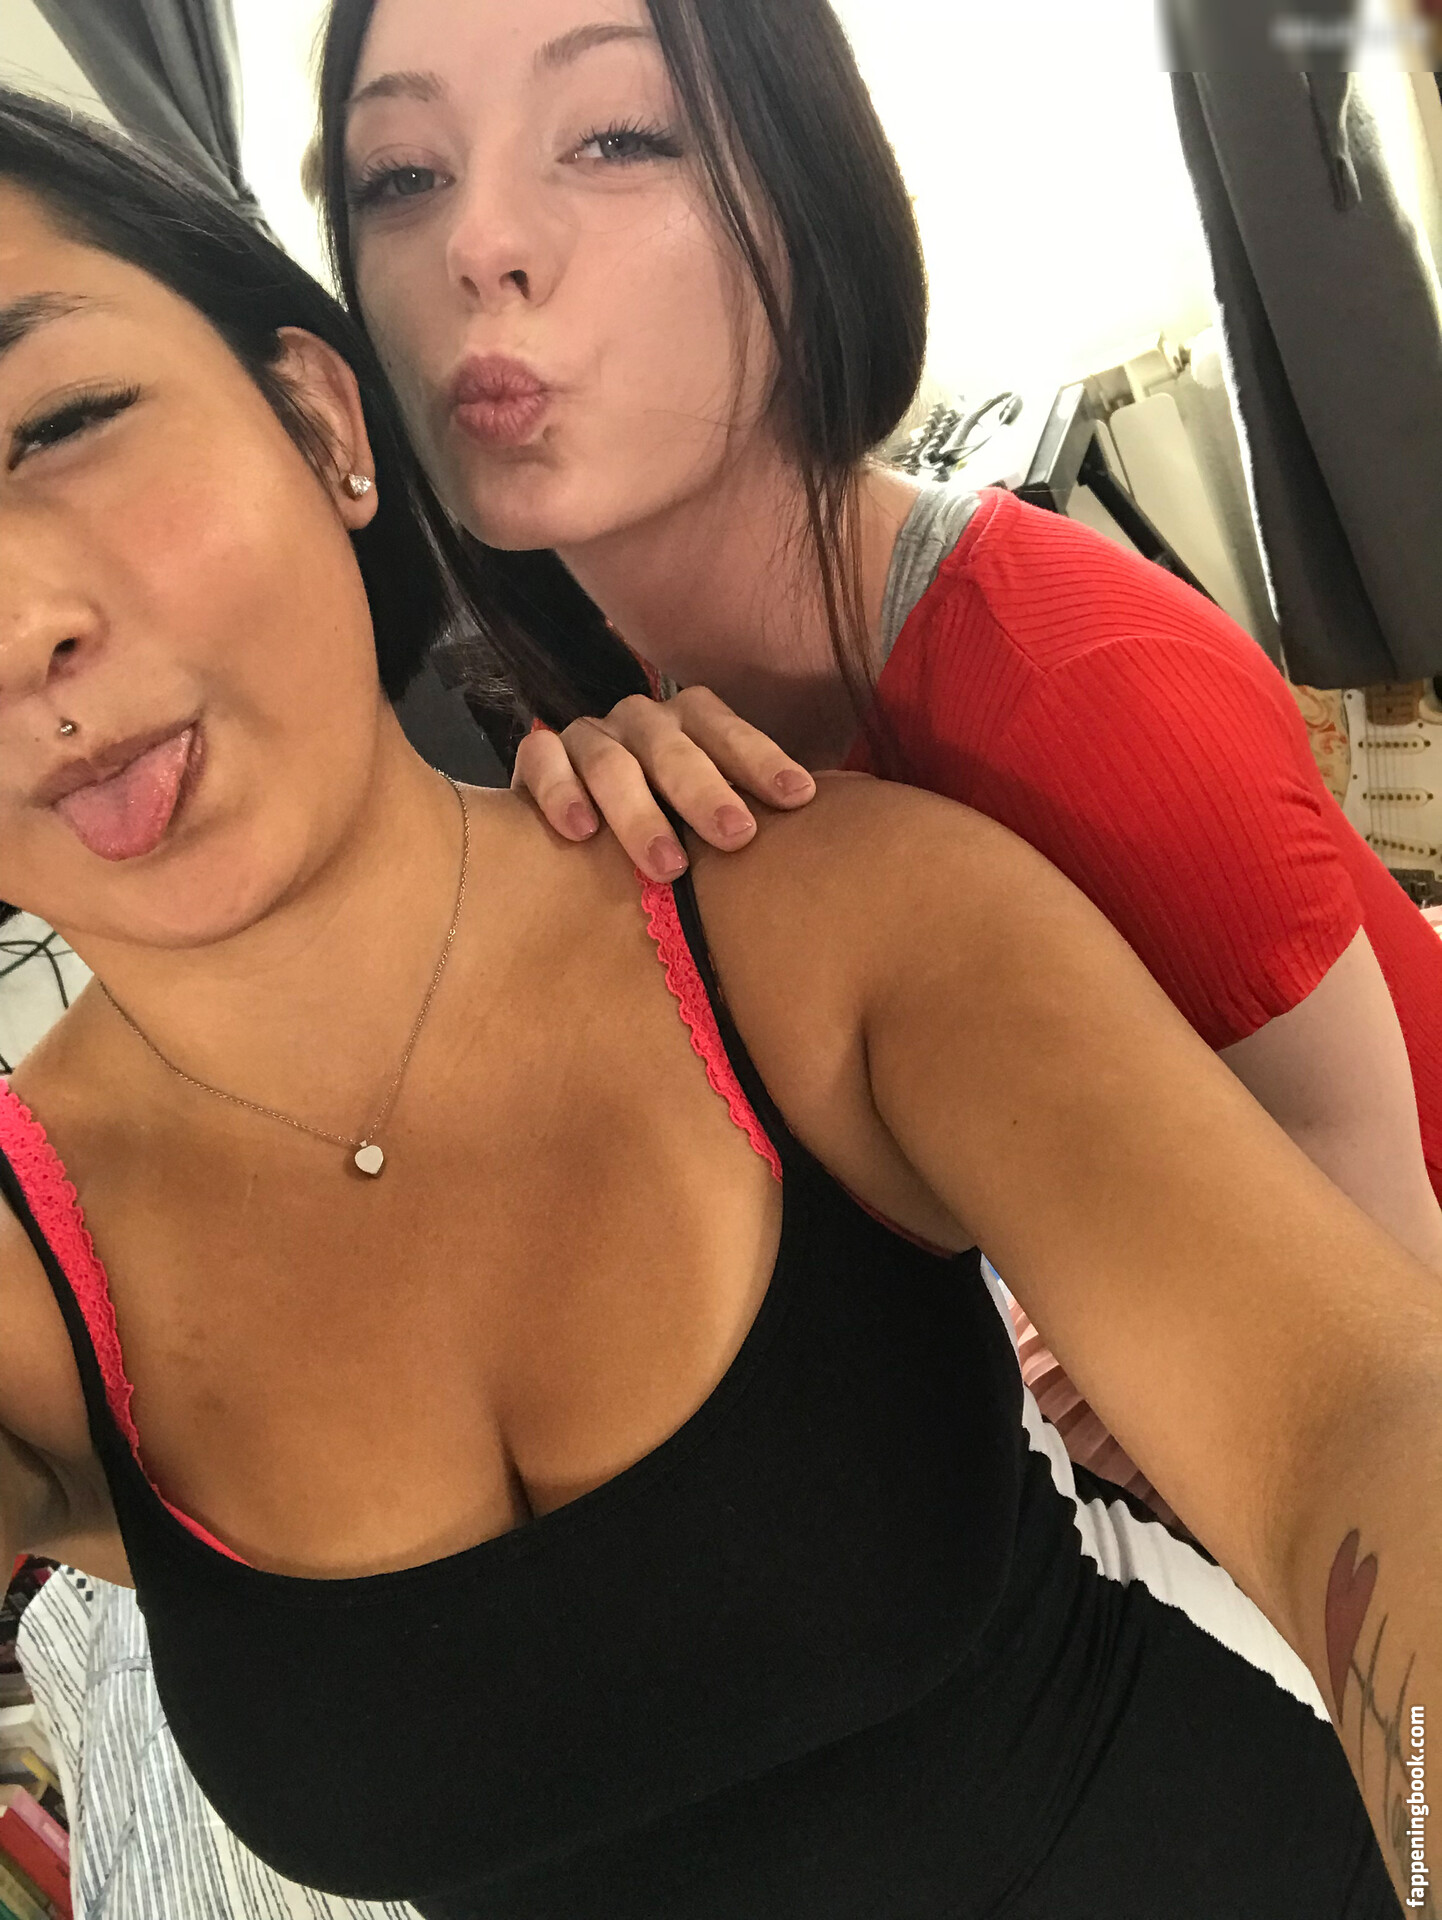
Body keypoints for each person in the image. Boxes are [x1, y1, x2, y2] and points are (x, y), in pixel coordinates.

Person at [0, 85, 1436, 1920]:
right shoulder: (29, 1269)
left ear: (319, 423)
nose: (23, 622)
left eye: (60, 426)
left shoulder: (819, 909)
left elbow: (1351, 1421)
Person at [313, 0, 1442, 1502]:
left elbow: (1391, 1336)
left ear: (804, 206)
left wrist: (1143, 1375)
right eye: (400, 175)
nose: (478, 246)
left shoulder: (1083, 697)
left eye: (617, 138)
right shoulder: (637, 706)